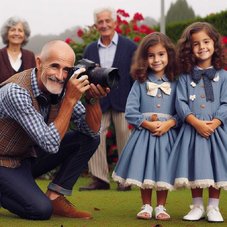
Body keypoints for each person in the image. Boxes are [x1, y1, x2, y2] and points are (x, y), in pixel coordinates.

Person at [0, 40, 110, 220]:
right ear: (38, 63)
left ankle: (55, 197)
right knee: (40, 210)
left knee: (88, 139)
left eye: (66, 69)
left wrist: (92, 100)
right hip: (3, 161)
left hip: (26, 159)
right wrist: (69, 100)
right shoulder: (16, 91)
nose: (60, 76)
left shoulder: (61, 88)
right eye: (54, 66)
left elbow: (91, 132)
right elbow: (50, 144)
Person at [112, 32, 179, 220]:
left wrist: (169, 124)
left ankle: (161, 207)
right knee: (145, 169)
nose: (156, 59)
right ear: (144, 58)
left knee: (163, 169)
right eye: (151, 55)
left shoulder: (176, 82)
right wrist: (147, 124)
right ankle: (146, 205)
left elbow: (181, 111)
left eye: (161, 54)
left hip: (167, 135)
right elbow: (131, 110)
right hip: (145, 134)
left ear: (169, 55)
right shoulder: (140, 83)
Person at [168, 22, 227, 223]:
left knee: (215, 165)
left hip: (215, 130)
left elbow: (226, 102)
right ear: (189, 49)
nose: (202, 47)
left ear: (215, 44)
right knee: (195, 165)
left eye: (206, 41)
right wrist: (195, 122)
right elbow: (180, 102)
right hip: (192, 129)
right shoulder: (184, 77)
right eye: (196, 43)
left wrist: (216, 122)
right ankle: (197, 206)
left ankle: (213, 206)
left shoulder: (224, 76)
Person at [79, 7, 137, 191]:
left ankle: (125, 179)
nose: (104, 25)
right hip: (98, 101)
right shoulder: (89, 49)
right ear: (96, 25)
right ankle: (100, 179)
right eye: (100, 22)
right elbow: (86, 75)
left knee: (125, 136)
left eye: (107, 21)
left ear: (115, 23)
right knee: (95, 135)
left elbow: (135, 75)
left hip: (124, 100)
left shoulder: (130, 47)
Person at [0, 16, 36, 83]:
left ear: (25, 34)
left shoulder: (30, 56)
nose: (16, 33)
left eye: (20, 30)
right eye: (13, 30)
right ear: (6, 33)